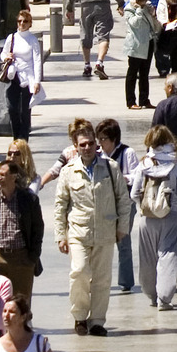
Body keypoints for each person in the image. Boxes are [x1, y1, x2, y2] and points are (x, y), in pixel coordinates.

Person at [49, 119, 130, 337]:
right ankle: (79, 316)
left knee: (103, 279)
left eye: (90, 143)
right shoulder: (68, 172)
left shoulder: (111, 168)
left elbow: (123, 199)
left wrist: (123, 227)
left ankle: (96, 321)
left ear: (97, 145)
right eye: (82, 144)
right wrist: (60, 235)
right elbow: (60, 205)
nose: (87, 148)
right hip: (78, 232)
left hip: (105, 232)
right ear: (75, 146)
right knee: (79, 272)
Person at [127, 127, 177, 309]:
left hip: (147, 218)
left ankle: (151, 293)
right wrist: (174, 206)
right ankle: (164, 298)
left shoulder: (143, 164)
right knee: (169, 256)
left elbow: (134, 193)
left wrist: (144, 207)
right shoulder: (176, 164)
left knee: (148, 257)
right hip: (171, 216)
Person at [0, 160, 45, 306]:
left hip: (22, 258)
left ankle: (21, 329)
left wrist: (32, 257)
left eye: (3, 174)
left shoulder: (29, 200)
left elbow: (37, 229)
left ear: (14, 176)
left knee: (21, 304)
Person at [0, 8, 46, 139]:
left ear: (30, 23)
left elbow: (37, 60)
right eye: (19, 21)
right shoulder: (12, 37)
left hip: (28, 77)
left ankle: (24, 139)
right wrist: (6, 57)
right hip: (14, 75)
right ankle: (16, 138)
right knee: (12, 109)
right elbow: (3, 53)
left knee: (24, 111)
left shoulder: (32, 40)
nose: (22, 24)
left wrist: (37, 81)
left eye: (25, 21)